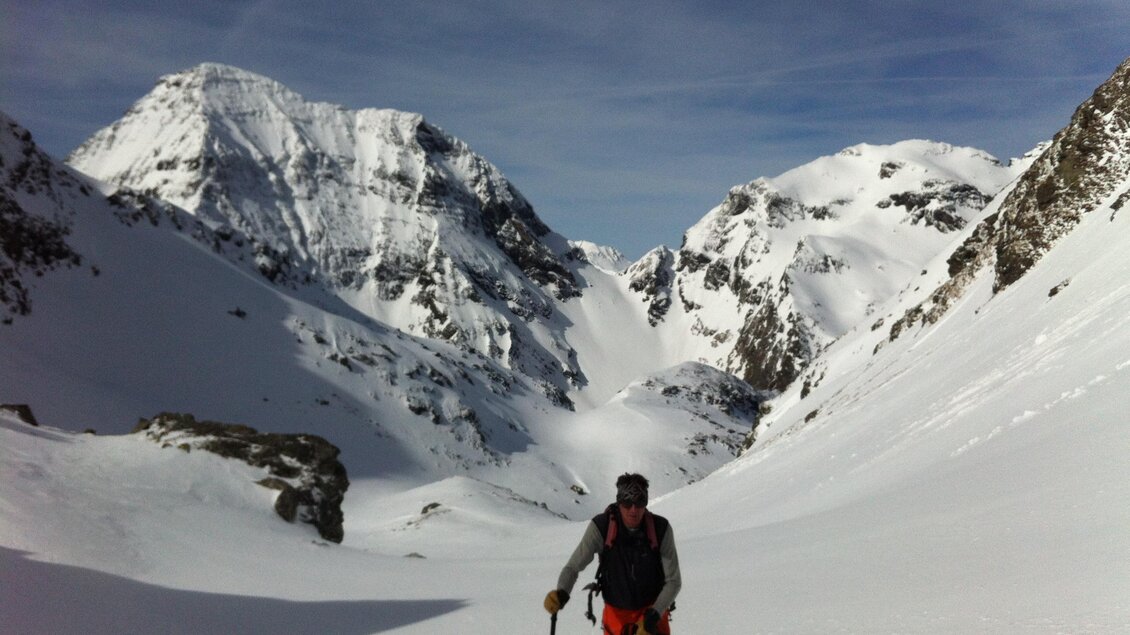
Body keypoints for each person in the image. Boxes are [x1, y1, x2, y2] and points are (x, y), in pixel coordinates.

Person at [544, 473, 682, 635]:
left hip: (652, 612)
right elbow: (573, 567)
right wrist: (562, 591)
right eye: (627, 502)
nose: (633, 509)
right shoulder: (602, 527)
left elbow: (674, 581)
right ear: (619, 502)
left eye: (639, 502)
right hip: (616, 616)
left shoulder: (660, 529)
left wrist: (653, 615)